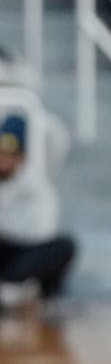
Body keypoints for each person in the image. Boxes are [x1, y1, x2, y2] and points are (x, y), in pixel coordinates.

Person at [0, 114, 76, 310]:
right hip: (4, 247)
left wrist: (27, 109)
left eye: (10, 153)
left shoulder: (39, 172)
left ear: (22, 154)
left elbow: (59, 136)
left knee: (64, 246)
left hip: (31, 249)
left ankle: (12, 290)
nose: (4, 159)